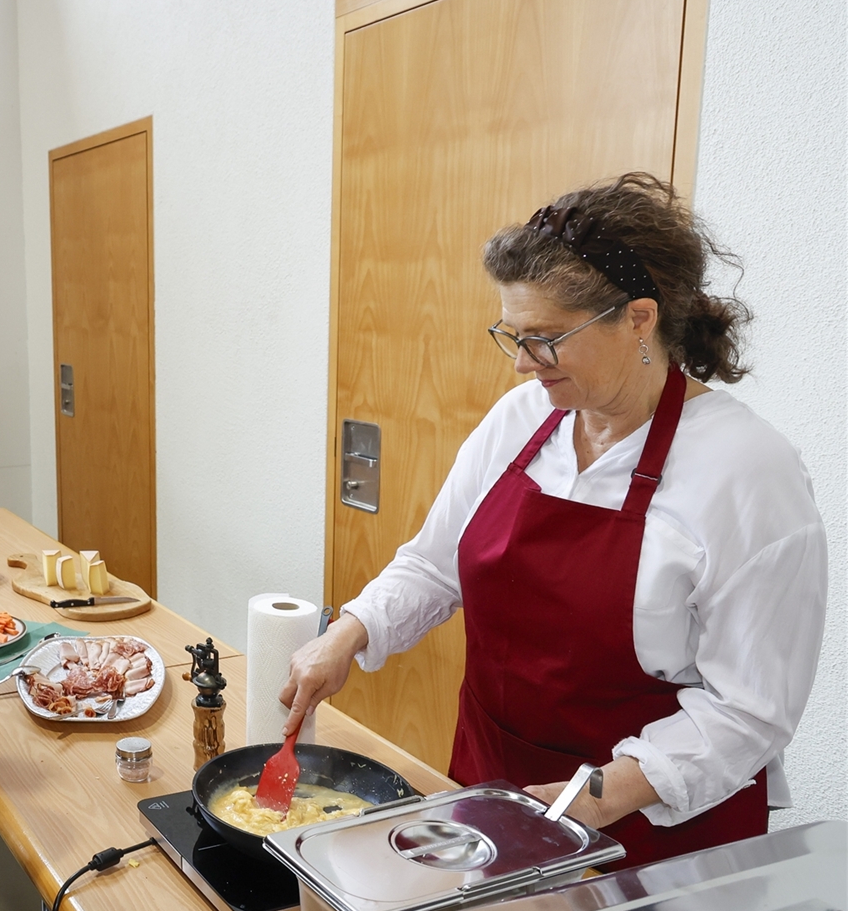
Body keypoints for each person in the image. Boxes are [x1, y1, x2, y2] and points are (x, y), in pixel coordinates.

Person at [281, 173, 826, 868]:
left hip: (647, 833)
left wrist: (591, 799)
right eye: (512, 335)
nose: (520, 364)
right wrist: (347, 633)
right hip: (490, 785)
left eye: (544, 339)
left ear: (638, 319)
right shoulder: (522, 419)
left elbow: (747, 710)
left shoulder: (747, 472)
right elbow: (433, 564)